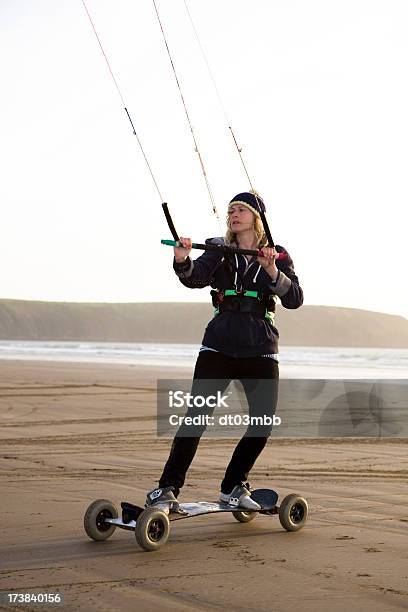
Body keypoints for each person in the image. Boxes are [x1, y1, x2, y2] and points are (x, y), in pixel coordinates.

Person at [146, 191, 303, 511]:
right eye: (231, 210)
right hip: (218, 345)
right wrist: (181, 259)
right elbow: (195, 277)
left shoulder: (278, 254)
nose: (233, 214)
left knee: (262, 423)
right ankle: (167, 488)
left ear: (257, 218)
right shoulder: (217, 248)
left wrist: (272, 271)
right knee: (196, 418)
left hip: (260, 347)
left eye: (241, 209)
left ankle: (233, 485)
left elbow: (295, 299)